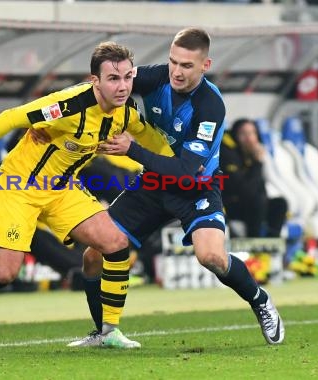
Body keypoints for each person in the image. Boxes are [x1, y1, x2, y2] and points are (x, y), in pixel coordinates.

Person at [0, 41, 174, 348]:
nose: (123, 86)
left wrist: (194, 165)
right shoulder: (69, 105)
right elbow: (10, 118)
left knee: (115, 242)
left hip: (62, 189)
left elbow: (160, 145)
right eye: (113, 79)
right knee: (5, 272)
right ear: (95, 81)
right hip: (19, 186)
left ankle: (108, 331)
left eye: (128, 77)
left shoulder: (125, 115)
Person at [64, 28, 284, 347]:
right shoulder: (154, 78)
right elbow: (106, 84)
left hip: (195, 188)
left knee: (211, 257)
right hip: (152, 184)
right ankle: (103, 333)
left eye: (186, 66)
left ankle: (260, 301)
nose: (177, 72)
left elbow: (184, 170)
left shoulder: (210, 106)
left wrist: (132, 149)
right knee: (93, 256)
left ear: (205, 65)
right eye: (173, 62)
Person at [221, 118, 288, 237]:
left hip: (251, 203)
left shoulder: (250, 153)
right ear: (235, 135)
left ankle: (272, 242)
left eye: (252, 133)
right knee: (258, 201)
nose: (249, 138)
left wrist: (257, 161)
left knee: (280, 204)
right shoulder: (227, 153)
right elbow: (243, 189)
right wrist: (257, 163)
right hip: (230, 204)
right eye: (244, 133)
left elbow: (260, 186)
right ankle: (254, 241)